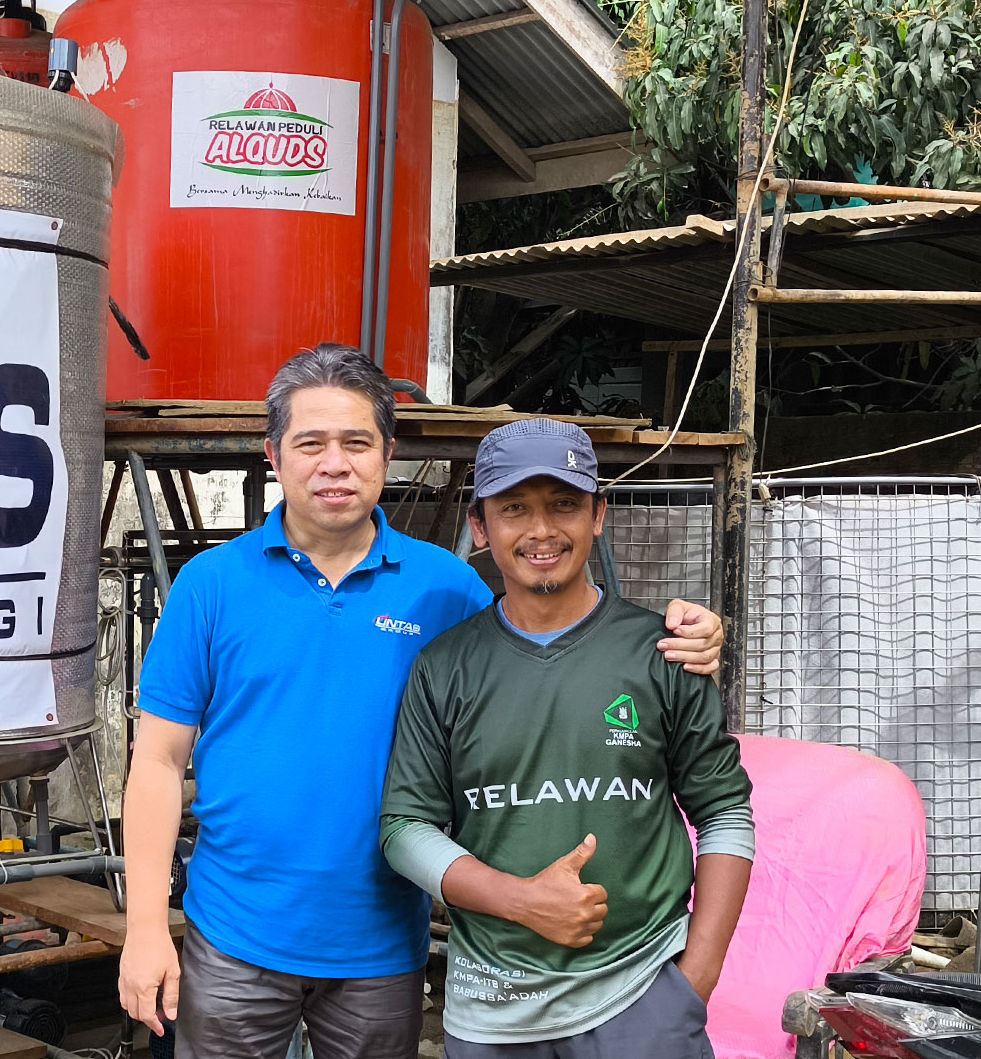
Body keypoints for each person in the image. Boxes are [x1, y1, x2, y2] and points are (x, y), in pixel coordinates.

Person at [118, 346, 727, 1059]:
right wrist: (145, 929)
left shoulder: (446, 589)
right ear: (273, 456)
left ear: (388, 454)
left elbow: (549, 647)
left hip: (382, 946)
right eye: (310, 444)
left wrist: (686, 635)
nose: (335, 463)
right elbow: (158, 762)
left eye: (357, 442)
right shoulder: (211, 584)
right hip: (234, 936)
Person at [379, 418, 754, 1059]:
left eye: (563, 504)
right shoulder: (445, 667)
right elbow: (405, 829)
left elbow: (725, 812)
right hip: (494, 1008)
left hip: (643, 994)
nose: (541, 530)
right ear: (479, 527)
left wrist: (697, 977)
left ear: (598, 515)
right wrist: (521, 902)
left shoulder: (664, 653)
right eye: (514, 508)